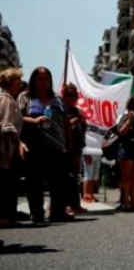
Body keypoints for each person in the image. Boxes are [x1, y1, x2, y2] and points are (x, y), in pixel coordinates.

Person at [19, 67, 73, 223]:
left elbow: (66, 122)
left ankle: (56, 211)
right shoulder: (24, 97)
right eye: (40, 79)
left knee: (58, 182)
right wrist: (34, 121)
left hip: (56, 146)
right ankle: (37, 213)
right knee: (34, 182)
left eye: (47, 79)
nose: (44, 83)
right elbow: (17, 118)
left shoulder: (57, 99)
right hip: (33, 146)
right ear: (33, 81)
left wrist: (68, 144)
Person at [0, 68, 27, 228]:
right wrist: (19, 143)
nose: (20, 86)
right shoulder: (6, 99)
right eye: (18, 83)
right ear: (11, 83)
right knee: (3, 187)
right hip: (3, 151)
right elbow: (6, 126)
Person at [61, 83, 87, 213]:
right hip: (64, 147)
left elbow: (83, 130)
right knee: (65, 177)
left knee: (76, 176)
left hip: (77, 146)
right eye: (68, 95)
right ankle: (65, 204)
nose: (71, 98)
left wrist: (82, 122)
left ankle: (75, 203)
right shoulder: (60, 110)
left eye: (73, 96)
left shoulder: (78, 111)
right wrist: (74, 121)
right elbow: (60, 127)